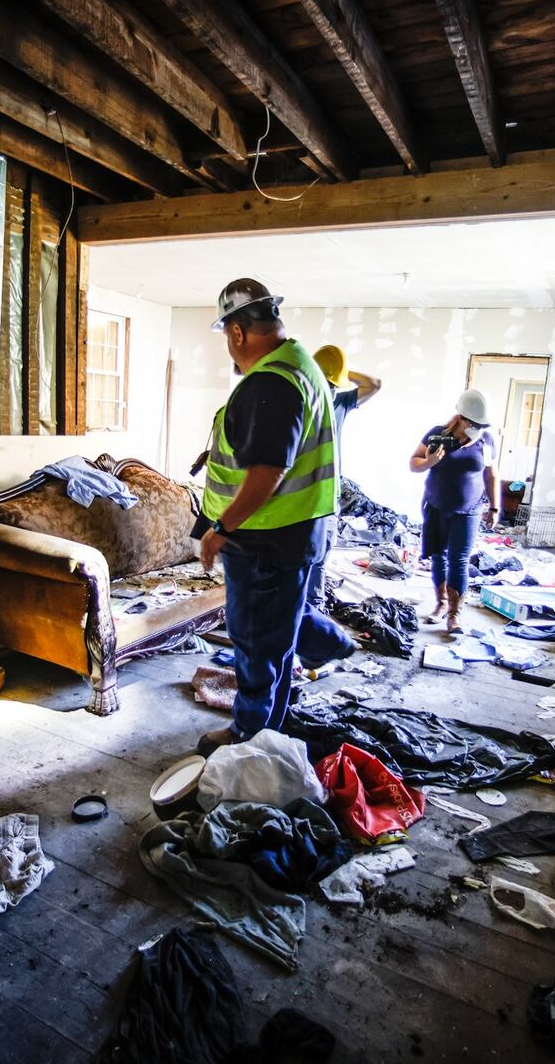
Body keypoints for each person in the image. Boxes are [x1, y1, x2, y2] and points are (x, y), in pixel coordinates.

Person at [193, 279, 341, 756]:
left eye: (225, 337)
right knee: (278, 631)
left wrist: (221, 529)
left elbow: (268, 472)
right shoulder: (302, 364)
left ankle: (248, 737)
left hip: (263, 540)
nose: (228, 348)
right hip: (294, 535)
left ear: (237, 332)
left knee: (256, 643)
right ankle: (273, 722)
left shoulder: (269, 382)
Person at [301, 344, 383, 620]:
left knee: (320, 559)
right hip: (302, 495)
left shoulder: (339, 402)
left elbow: (374, 384)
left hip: (328, 494)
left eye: (335, 384)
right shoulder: (300, 403)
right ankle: (302, 615)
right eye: (328, 383)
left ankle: (315, 614)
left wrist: (343, 372)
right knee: (302, 559)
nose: (332, 388)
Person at [409, 389, 498, 634]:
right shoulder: (438, 434)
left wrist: (494, 506)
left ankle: (454, 615)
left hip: (469, 510)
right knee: (439, 556)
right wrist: (429, 462)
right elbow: (413, 462)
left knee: (459, 560)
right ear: (461, 418)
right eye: (474, 423)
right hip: (436, 506)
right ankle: (441, 605)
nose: (477, 428)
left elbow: (491, 474)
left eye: (482, 424)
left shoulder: (486, 440)